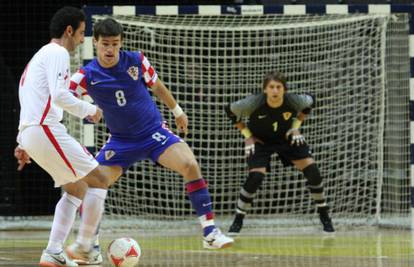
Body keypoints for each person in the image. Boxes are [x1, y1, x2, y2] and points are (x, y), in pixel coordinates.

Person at [67, 17, 233, 260]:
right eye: (105, 44)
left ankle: (210, 232)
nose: (110, 49)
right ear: (96, 44)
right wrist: (86, 109)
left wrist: (177, 111)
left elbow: (157, 87)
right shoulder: (87, 75)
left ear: (121, 42)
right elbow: (62, 96)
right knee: (94, 182)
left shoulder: (136, 60)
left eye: (115, 44)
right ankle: (89, 246)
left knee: (190, 165)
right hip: (121, 141)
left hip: (153, 133)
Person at [14, 7, 122, 267]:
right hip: (44, 129)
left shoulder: (40, 55)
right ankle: (85, 248)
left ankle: (53, 251)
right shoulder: (57, 52)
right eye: (82, 33)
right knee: (99, 180)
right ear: (69, 31)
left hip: (32, 131)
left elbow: (31, 98)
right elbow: (60, 95)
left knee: (77, 188)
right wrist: (91, 110)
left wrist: (22, 142)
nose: (83, 40)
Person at [225, 71, 335, 236]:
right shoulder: (253, 103)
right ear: (265, 90)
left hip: (286, 138)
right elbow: (229, 110)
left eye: (278, 87)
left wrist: (296, 127)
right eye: (271, 87)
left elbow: (310, 101)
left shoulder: (293, 100)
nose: (275, 91)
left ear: (284, 89)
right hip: (260, 142)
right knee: (255, 177)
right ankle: (238, 219)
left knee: (313, 171)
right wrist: (248, 136)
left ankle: (324, 214)